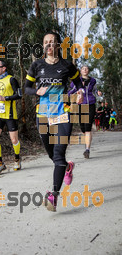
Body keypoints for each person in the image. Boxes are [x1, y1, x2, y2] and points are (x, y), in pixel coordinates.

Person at [25, 31, 84, 212]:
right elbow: (26, 88)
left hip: (62, 114)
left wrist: (80, 92)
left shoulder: (67, 66)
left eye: (52, 42)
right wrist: (37, 92)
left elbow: (78, 83)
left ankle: (54, 195)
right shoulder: (37, 65)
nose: (49, 45)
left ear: (58, 45)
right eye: (46, 42)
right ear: (43, 46)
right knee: (51, 154)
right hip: (43, 115)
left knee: (58, 153)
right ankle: (67, 167)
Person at [0, 61, 22, 174]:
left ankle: (17, 159)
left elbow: (19, 94)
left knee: (14, 139)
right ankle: (0, 163)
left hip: (10, 114)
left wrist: (5, 98)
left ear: (4, 68)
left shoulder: (11, 79)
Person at [68, 65, 102, 159]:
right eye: (83, 69)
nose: (85, 70)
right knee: (83, 128)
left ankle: (87, 150)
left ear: (88, 71)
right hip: (81, 105)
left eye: (86, 69)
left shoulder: (92, 80)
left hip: (90, 104)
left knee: (87, 128)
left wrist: (98, 93)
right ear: (81, 71)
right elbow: (72, 91)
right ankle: (87, 139)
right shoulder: (76, 80)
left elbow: (95, 90)